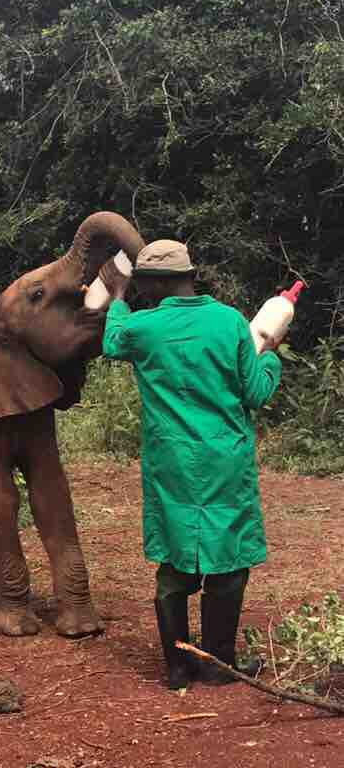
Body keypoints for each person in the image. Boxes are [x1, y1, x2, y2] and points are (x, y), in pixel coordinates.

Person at [100, 240, 282, 689]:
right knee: (229, 559)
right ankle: (219, 666)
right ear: (189, 274)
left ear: (157, 283)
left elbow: (110, 340)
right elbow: (256, 393)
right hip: (225, 461)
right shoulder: (230, 322)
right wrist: (272, 354)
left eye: (144, 284)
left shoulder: (143, 327)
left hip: (173, 461)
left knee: (175, 556)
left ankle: (179, 666)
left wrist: (118, 297)